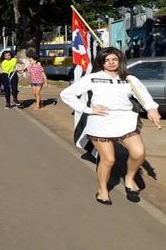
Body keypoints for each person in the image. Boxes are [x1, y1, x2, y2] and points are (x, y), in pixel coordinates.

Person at [60, 47, 161, 205]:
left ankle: (129, 179)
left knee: (138, 153)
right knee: (109, 160)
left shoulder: (129, 79)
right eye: (107, 60)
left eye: (114, 59)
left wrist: (152, 109)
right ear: (101, 62)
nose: (111, 63)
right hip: (101, 121)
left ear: (120, 60)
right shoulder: (92, 78)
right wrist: (87, 109)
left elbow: (144, 96)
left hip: (125, 120)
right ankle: (102, 190)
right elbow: (67, 94)